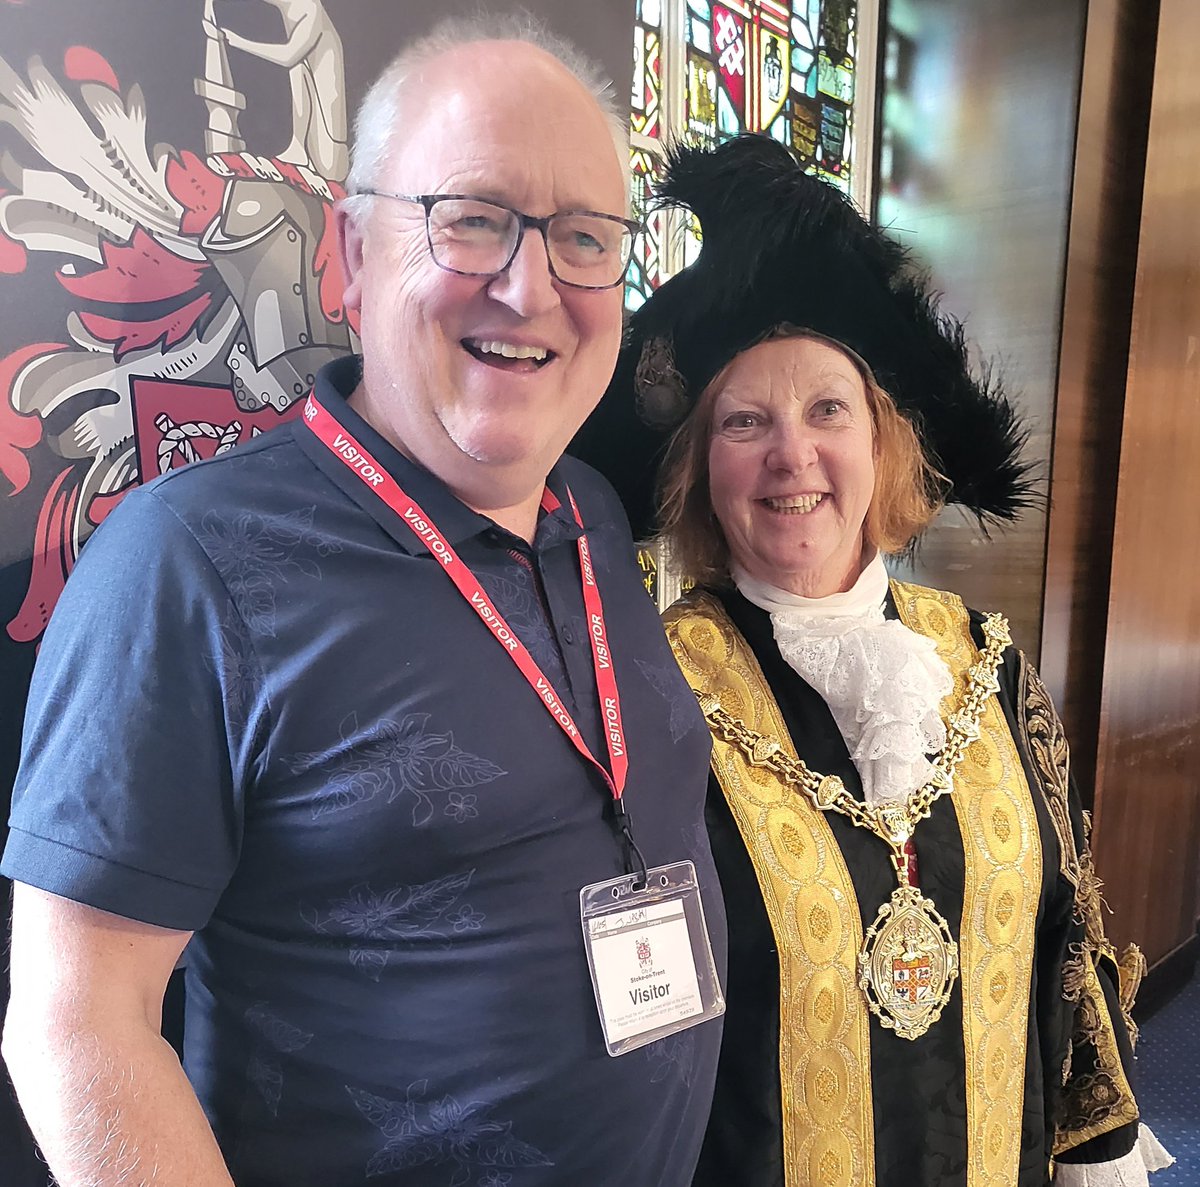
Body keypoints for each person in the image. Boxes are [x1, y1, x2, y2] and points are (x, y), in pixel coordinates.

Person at [1, 18, 726, 1187]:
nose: (531, 285)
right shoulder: (185, 566)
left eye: (585, 237)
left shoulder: (587, 511)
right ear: (348, 249)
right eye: (473, 219)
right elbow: (75, 1020)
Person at [573, 134, 1172, 1187]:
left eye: (826, 410)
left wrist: (1102, 1149)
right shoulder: (647, 686)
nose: (790, 454)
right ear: (696, 472)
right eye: (743, 421)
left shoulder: (988, 665)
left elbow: (1065, 941)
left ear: (883, 443)